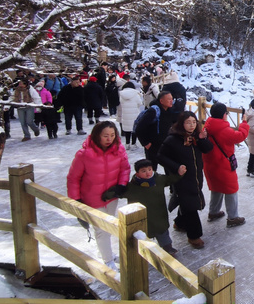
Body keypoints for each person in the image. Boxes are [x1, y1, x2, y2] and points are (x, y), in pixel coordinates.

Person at [66, 121, 130, 268]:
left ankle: (108, 254)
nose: (109, 139)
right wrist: (76, 200)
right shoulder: (84, 154)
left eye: (112, 135)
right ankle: (108, 261)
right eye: (105, 136)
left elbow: (124, 169)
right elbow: (73, 178)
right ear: (97, 136)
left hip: (111, 197)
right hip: (92, 199)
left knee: (108, 227)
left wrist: (121, 185)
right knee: (101, 230)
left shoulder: (119, 149)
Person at [103, 159, 185, 256]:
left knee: (162, 232)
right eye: (144, 171)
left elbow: (171, 179)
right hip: (141, 218)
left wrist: (180, 173)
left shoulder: (158, 180)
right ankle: (140, 253)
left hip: (159, 215)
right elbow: (117, 192)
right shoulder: (132, 187)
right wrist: (108, 195)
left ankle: (168, 248)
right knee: (141, 235)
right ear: (137, 173)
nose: (148, 173)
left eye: (150, 169)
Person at [157, 112, 213, 249]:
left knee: (189, 200)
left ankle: (180, 223)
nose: (192, 125)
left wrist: (201, 139)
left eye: (194, 122)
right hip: (181, 178)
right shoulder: (173, 139)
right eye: (188, 122)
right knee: (190, 204)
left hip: (196, 176)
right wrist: (176, 167)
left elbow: (208, 149)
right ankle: (194, 236)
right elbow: (160, 156)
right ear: (182, 124)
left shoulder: (195, 137)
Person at [202, 102, 249, 228]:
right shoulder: (224, 130)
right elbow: (240, 136)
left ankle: (214, 212)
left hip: (210, 164)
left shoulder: (207, 126)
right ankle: (233, 217)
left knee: (216, 188)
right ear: (224, 115)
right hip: (223, 164)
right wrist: (244, 123)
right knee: (231, 189)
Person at [135, 91, 180, 170]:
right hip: (153, 146)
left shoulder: (170, 110)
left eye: (172, 99)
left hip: (165, 145)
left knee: (169, 167)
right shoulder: (153, 112)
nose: (171, 101)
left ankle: (168, 182)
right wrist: (145, 143)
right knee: (152, 169)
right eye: (169, 99)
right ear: (161, 101)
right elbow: (139, 128)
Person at [116, 81, 143, 150]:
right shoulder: (136, 94)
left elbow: (121, 103)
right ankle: (133, 144)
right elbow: (140, 103)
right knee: (134, 129)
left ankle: (127, 144)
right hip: (135, 114)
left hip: (125, 114)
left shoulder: (121, 94)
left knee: (127, 130)